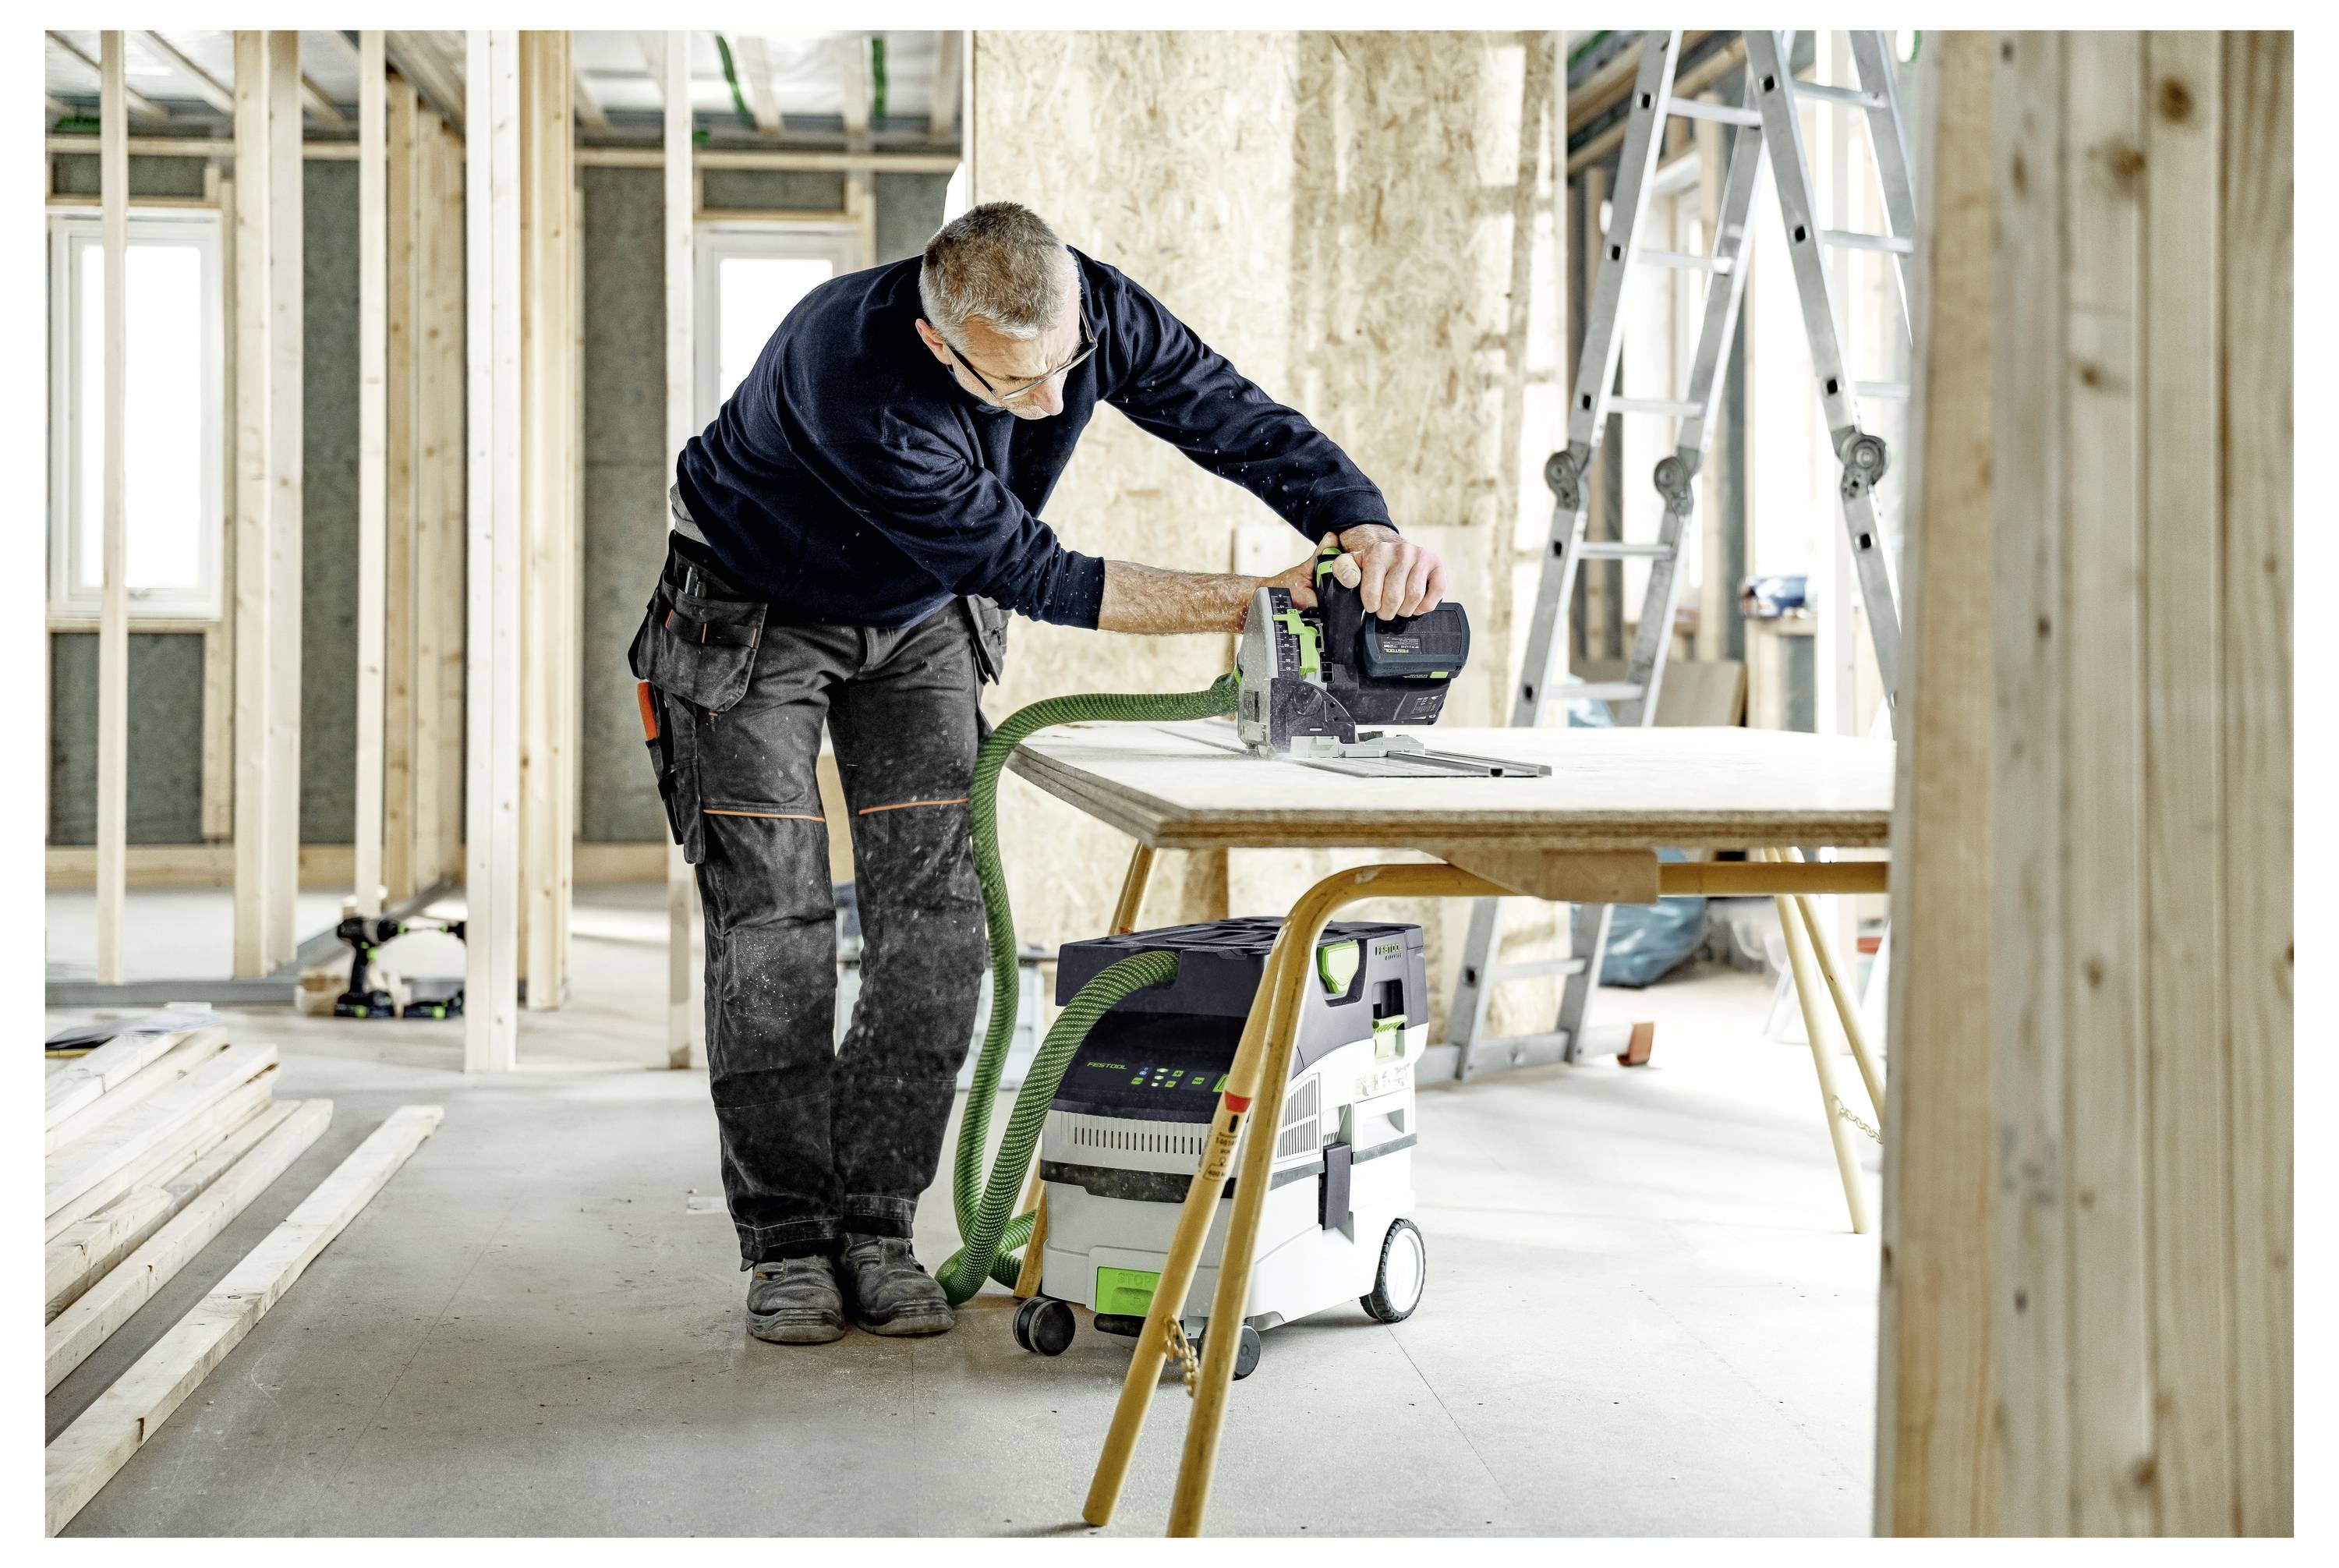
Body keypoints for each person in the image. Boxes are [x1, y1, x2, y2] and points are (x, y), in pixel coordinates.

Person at [630, 201, 1447, 1346]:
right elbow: (1042, 574)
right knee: (777, 924)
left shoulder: (1084, 314)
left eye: (1067, 370)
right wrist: (1257, 600)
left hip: (916, 612)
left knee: (938, 918)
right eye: (1015, 388)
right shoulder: (853, 378)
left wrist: (1358, 528)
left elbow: (1229, 416)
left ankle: (875, 1226)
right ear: (937, 341)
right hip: (752, 608)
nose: (1053, 406)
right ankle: (787, 1243)